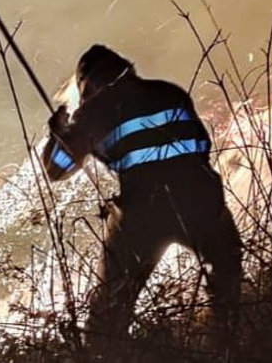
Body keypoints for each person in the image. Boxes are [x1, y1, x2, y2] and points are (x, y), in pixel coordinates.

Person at [41, 44, 242, 351]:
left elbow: (58, 168)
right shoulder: (169, 92)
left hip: (144, 215)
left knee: (111, 307)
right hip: (203, 200)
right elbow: (201, 143)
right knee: (227, 272)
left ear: (90, 85)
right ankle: (228, 342)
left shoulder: (97, 110)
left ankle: (104, 353)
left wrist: (59, 131)